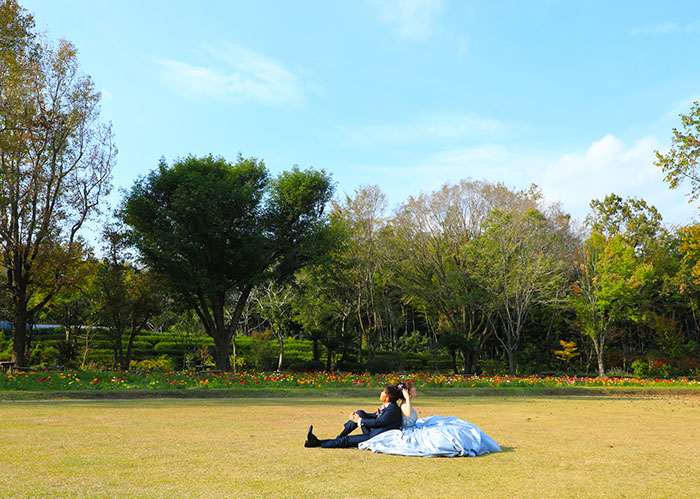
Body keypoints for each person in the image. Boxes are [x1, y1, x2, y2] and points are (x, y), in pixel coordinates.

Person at [358, 381, 502, 457]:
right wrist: (407, 399)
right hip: (409, 431)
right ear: (408, 392)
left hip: (417, 426)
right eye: (413, 388)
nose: (415, 390)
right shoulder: (403, 405)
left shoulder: (405, 403)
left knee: (453, 425)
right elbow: (408, 416)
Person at [305, 385, 403, 449]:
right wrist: (357, 417)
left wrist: (360, 420)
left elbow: (378, 422)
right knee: (359, 412)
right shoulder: (389, 406)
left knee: (347, 440)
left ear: (387, 398)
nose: (381, 393)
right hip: (374, 431)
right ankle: (339, 437)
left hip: (376, 436)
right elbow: (374, 416)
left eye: (383, 392)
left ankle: (317, 443)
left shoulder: (392, 409)